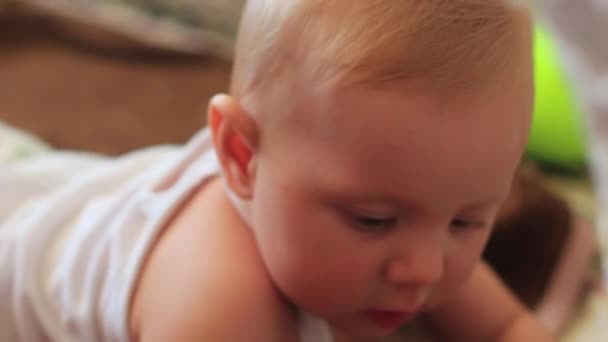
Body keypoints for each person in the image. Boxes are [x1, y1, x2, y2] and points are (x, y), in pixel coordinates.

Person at [0, 0, 553, 341]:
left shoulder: (416, 220)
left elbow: (506, 329)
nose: (426, 269)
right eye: (370, 220)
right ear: (241, 156)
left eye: (467, 221)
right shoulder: (217, 305)